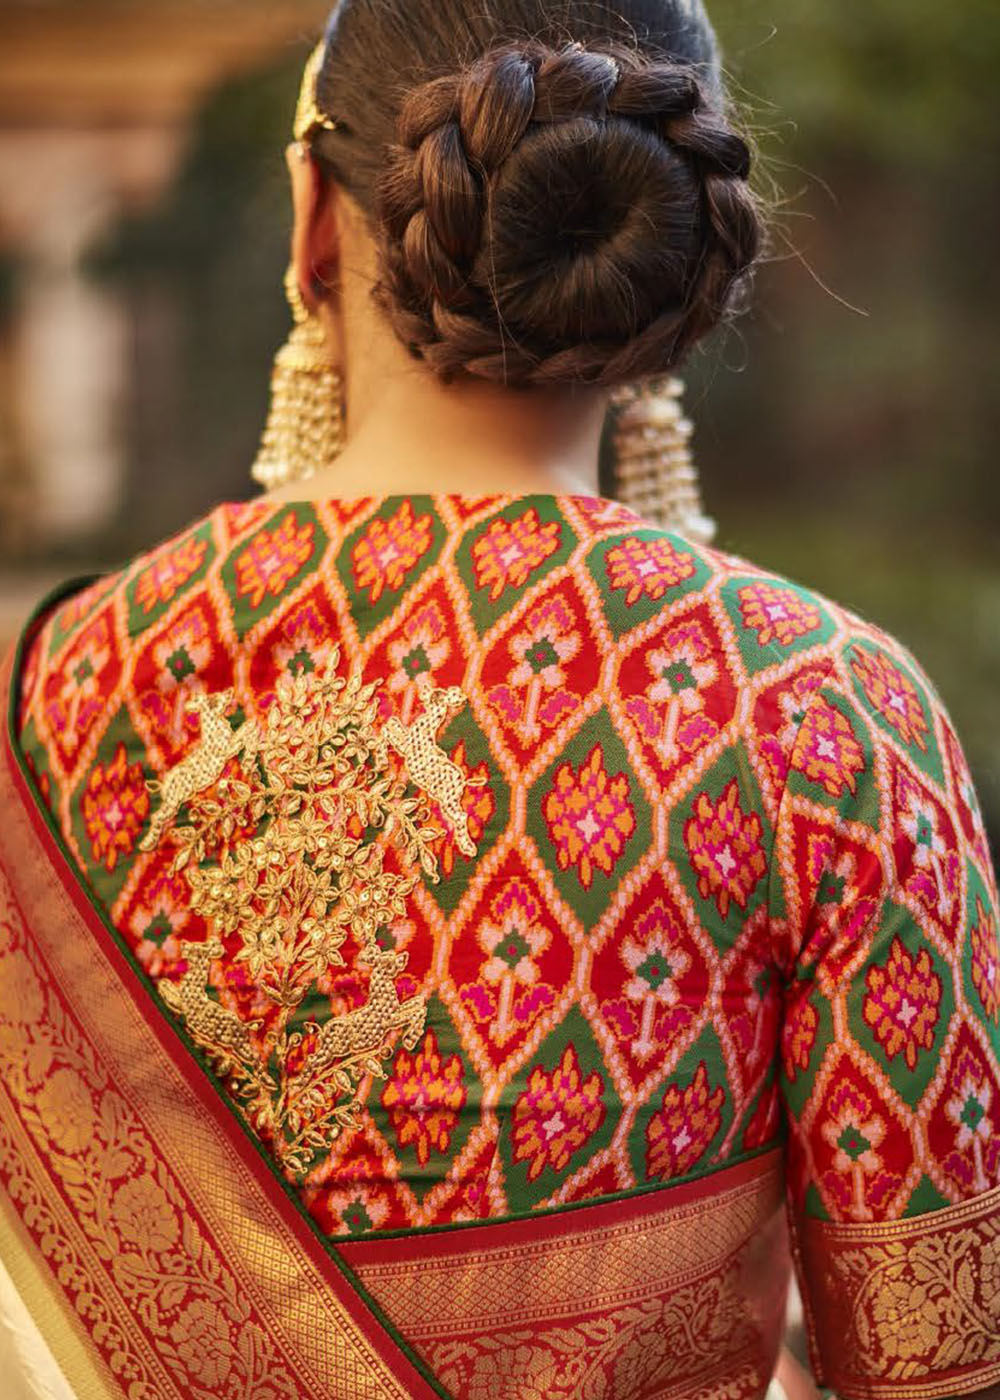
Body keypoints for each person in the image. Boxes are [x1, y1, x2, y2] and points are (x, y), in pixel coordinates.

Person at [1, 2, 998, 1397]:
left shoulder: (59, 685)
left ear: (310, 220)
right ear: (674, 261)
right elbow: (937, 1358)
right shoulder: (825, 716)